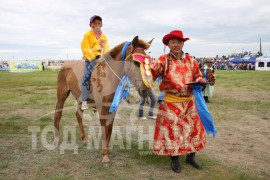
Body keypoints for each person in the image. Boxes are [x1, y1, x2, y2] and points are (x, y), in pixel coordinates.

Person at [150, 30, 206, 173]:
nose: (176, 44)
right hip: (171, 102)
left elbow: (198, 75)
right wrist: (143, 62)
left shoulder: (191, 60)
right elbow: (151, 72)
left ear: (183, 43)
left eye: (179, 42)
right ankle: (174, 159)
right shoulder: (163, 60)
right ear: (168, 44)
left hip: (189, 102)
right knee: (172, 132)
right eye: (173, 42)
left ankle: (191, 157)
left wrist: (201, 81)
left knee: (193, 130)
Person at [81, 15, 109, 110]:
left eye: (99, 23)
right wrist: (93, 58)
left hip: (101, 58)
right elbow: (85, 48)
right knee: (86, 76)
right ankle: (84, 100)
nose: (97, 25)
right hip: (90, 59)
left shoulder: (104, 37)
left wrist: (105, 57)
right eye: (95, 23)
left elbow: (106, 48)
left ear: (101, 25)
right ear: (90, 25)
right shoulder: (87, 35)